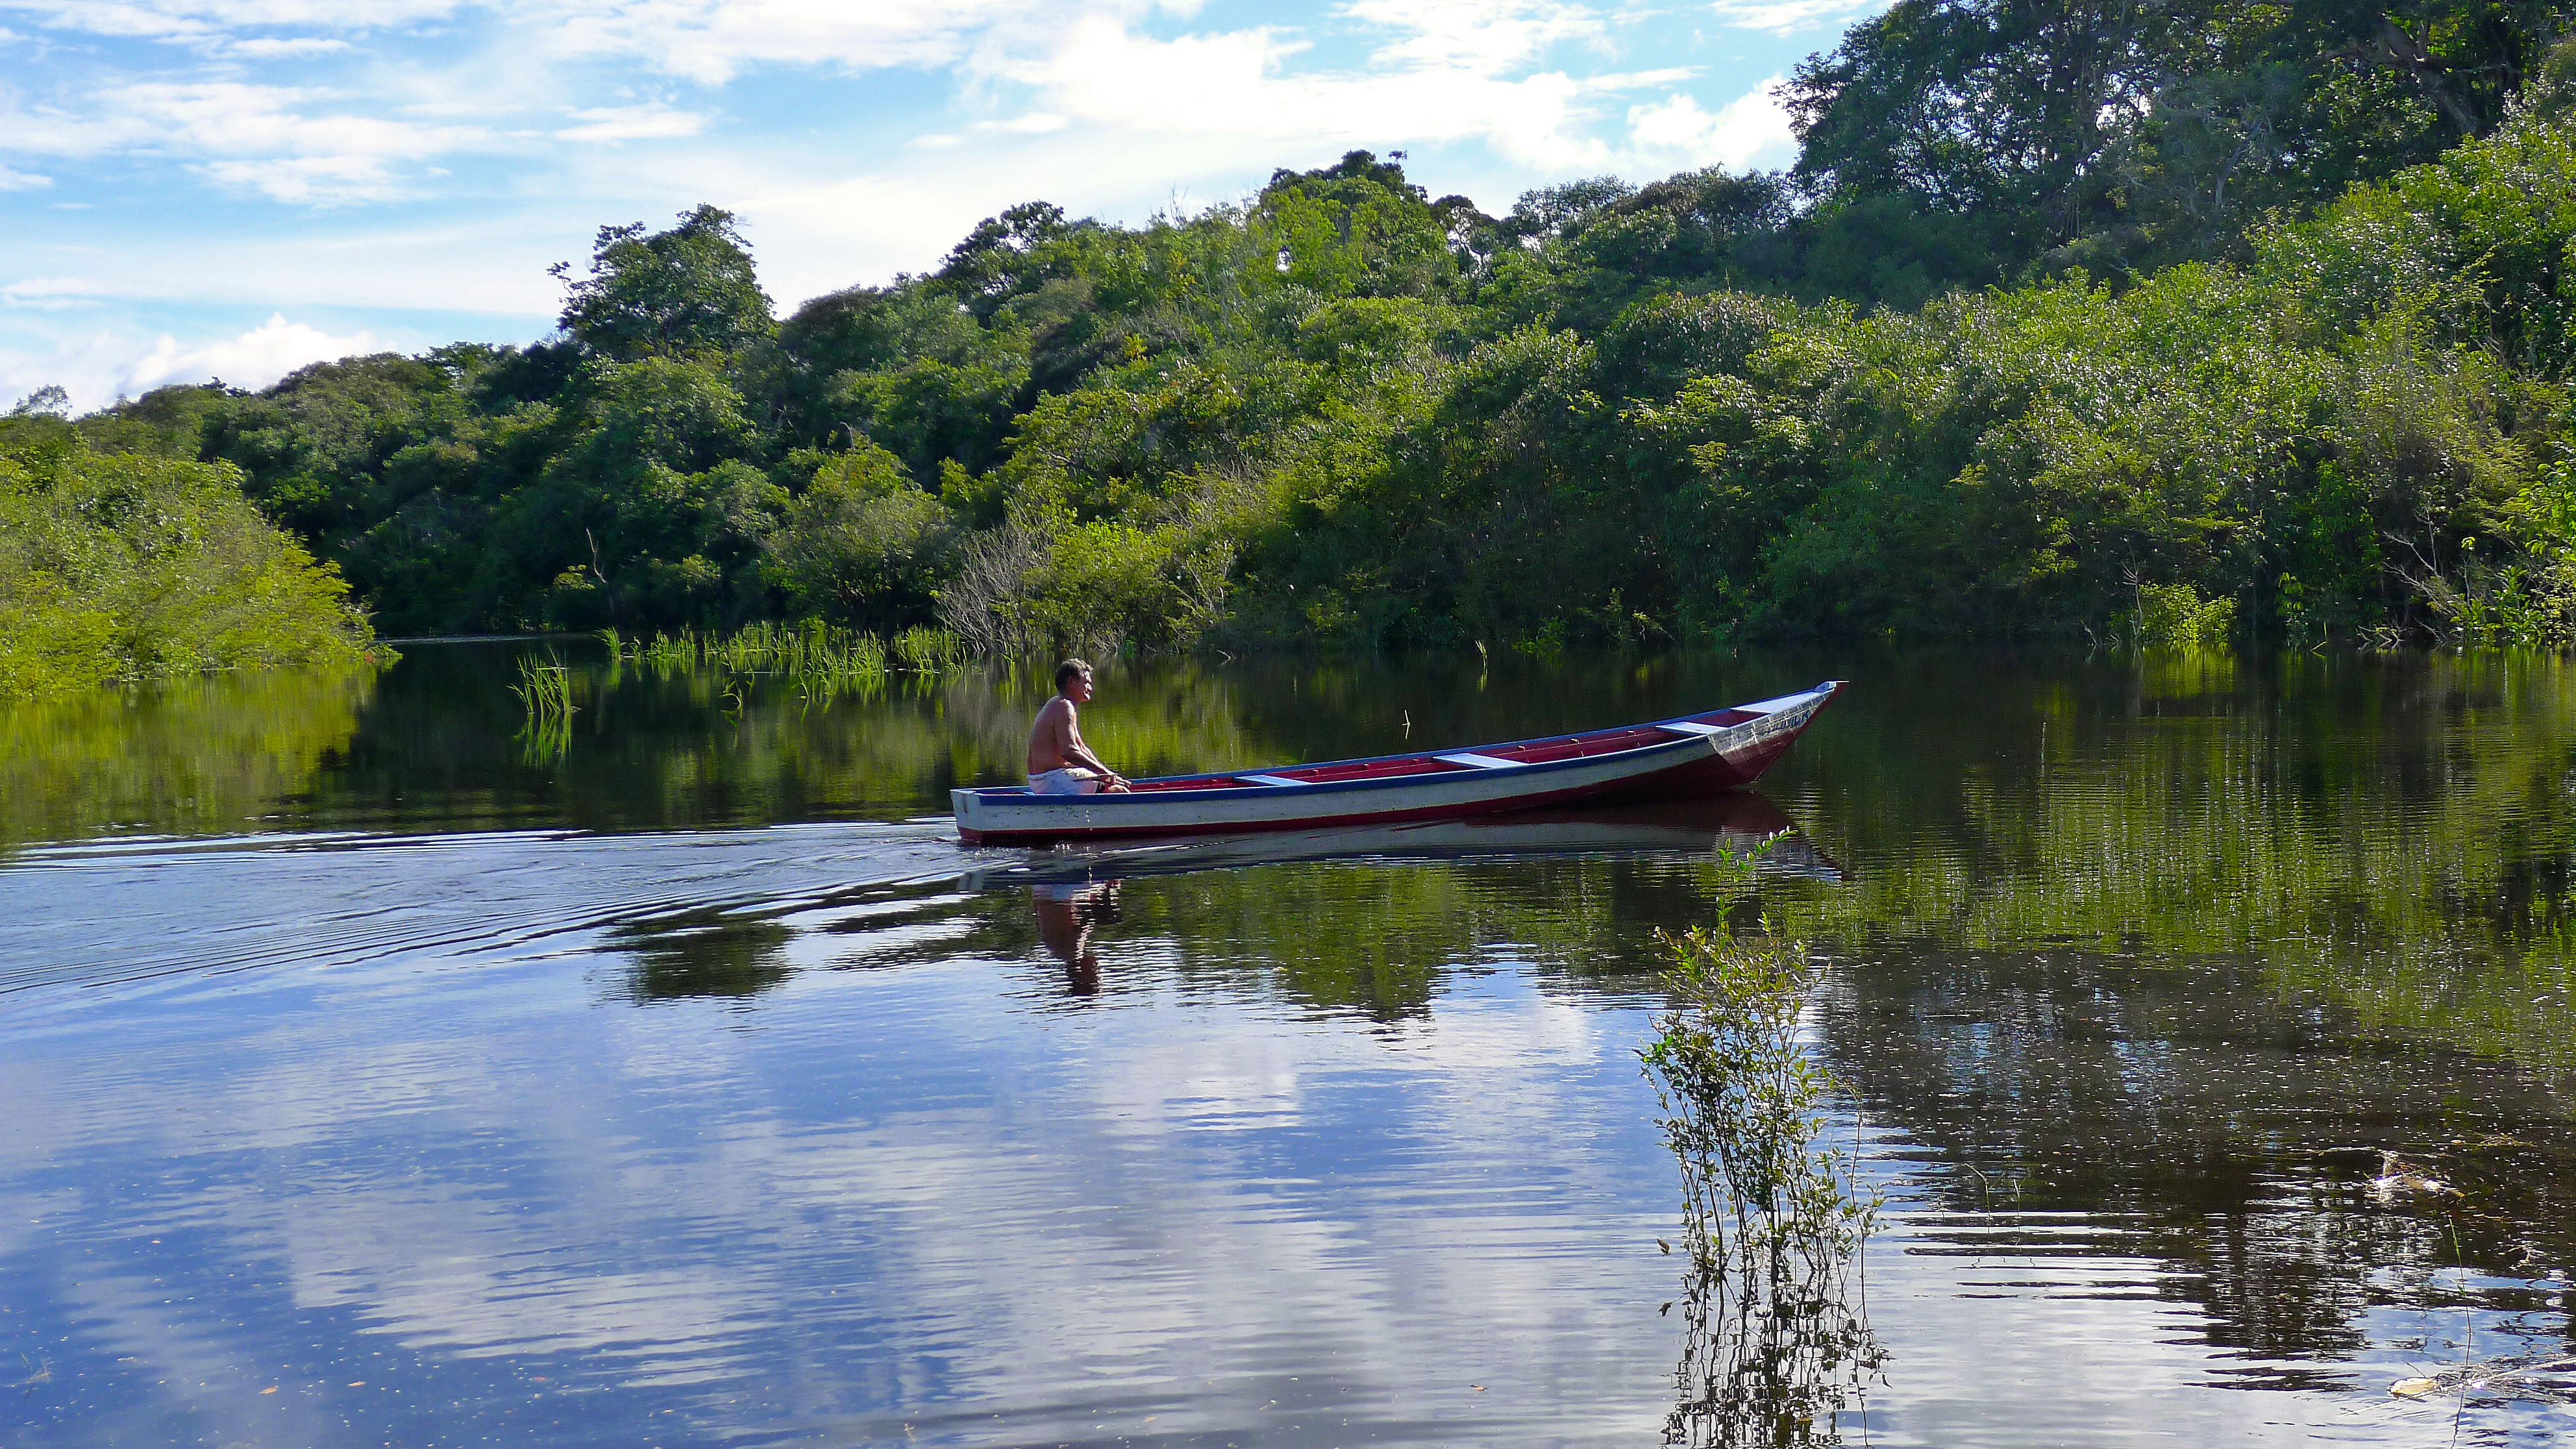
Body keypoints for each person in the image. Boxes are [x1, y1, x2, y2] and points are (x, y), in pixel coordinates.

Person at [1026, 658, 1131, 795]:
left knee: (1113, 785)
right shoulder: (1064, 706)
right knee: (1119, 791)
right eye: (1086, 682)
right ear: (1071, 682)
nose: (1090, 688)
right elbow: (1069, 751)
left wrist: (1108, 774)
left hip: (1050, 779)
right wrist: (1105, 775)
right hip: (1051, 779)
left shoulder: (1060, 704)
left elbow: (1081, 748)